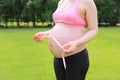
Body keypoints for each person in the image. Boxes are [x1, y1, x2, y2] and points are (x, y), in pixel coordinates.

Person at [33, 0, 98, 80]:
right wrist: (45, 34)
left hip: (75, 57)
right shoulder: (62, 1)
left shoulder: (87, 2)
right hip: (58, 59)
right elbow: (61, 25)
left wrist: (77, 43)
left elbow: (93, 30)